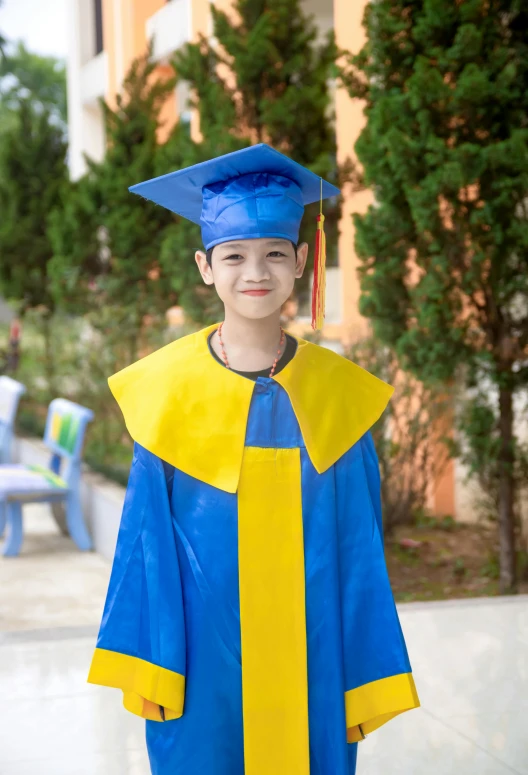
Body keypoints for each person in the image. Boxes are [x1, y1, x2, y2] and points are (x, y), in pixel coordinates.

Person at [88, 144, 420, 775]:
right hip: (202, 658)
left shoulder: (337, 398)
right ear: (205, 268)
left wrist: (362, 671)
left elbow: (360, 550)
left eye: (274, 252)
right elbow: (144, 546)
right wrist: (152, 668)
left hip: (312, 653)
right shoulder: (166, 393)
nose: (255, 271)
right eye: (234, 256)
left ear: (301, 260)